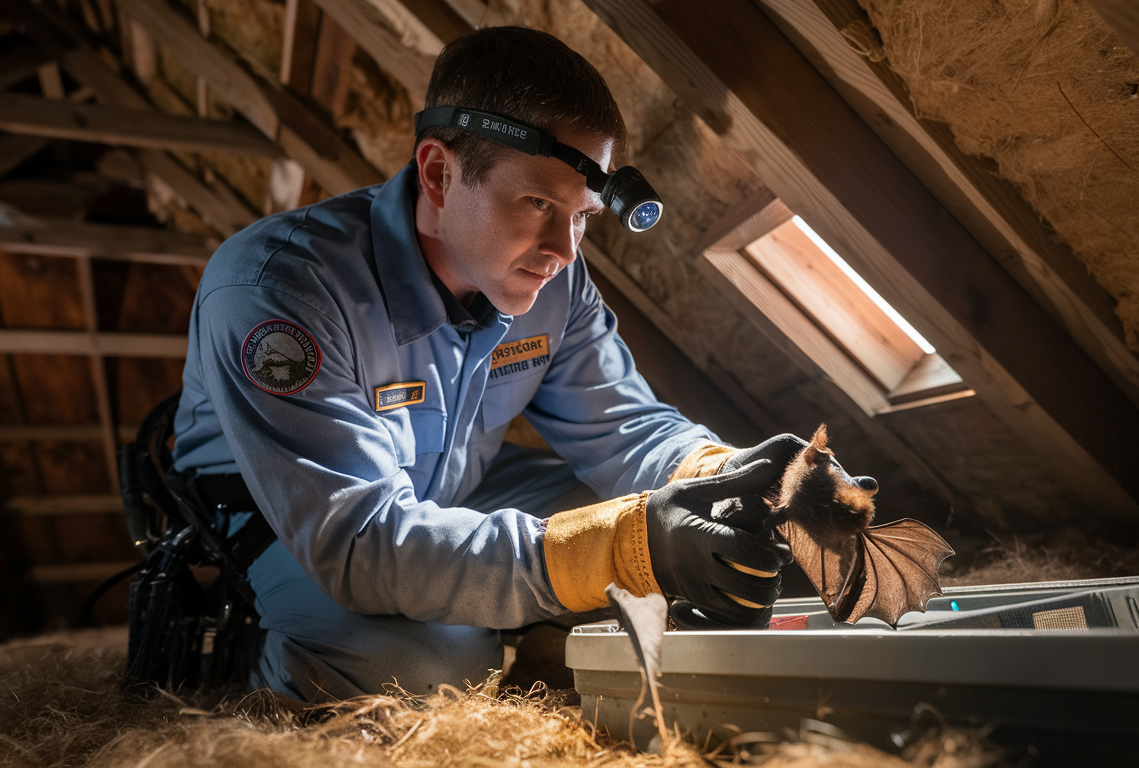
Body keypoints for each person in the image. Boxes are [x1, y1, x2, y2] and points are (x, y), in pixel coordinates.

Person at [170, 26, 802, 701]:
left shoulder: (553, 277)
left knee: (677, 524)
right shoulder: (280, 290)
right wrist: (622, 548)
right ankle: (247, 658)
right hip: (288, 518)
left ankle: (537, 651)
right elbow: (361, 541)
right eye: (538, 203)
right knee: (425, 668)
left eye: (583, 215)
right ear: (440, 173)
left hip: (450, 487)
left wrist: (737, 477)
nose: (563, 247)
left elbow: (623, 427)